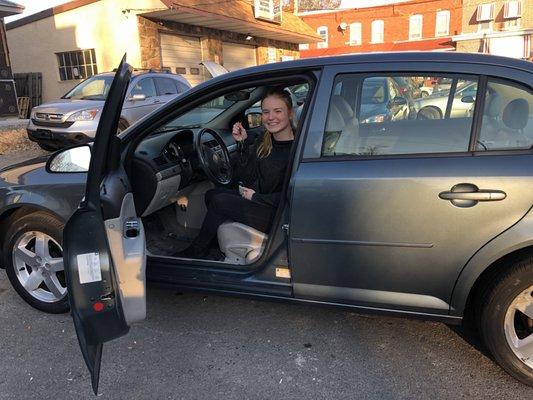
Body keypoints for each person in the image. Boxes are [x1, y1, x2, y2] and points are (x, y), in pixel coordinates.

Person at [179, 87, 295, 259]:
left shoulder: (296, 149)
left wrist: (255, 197)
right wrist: (241, 144)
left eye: (278, 111)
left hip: (278, 214)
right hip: (261, 201)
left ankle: (198, 250)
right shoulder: (265, 140)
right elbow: (246, 176)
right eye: (265, 112)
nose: (270, 117)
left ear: (290, 113)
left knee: (219, 201)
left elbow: (292, 195)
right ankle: (212, 246)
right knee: (212, 194)